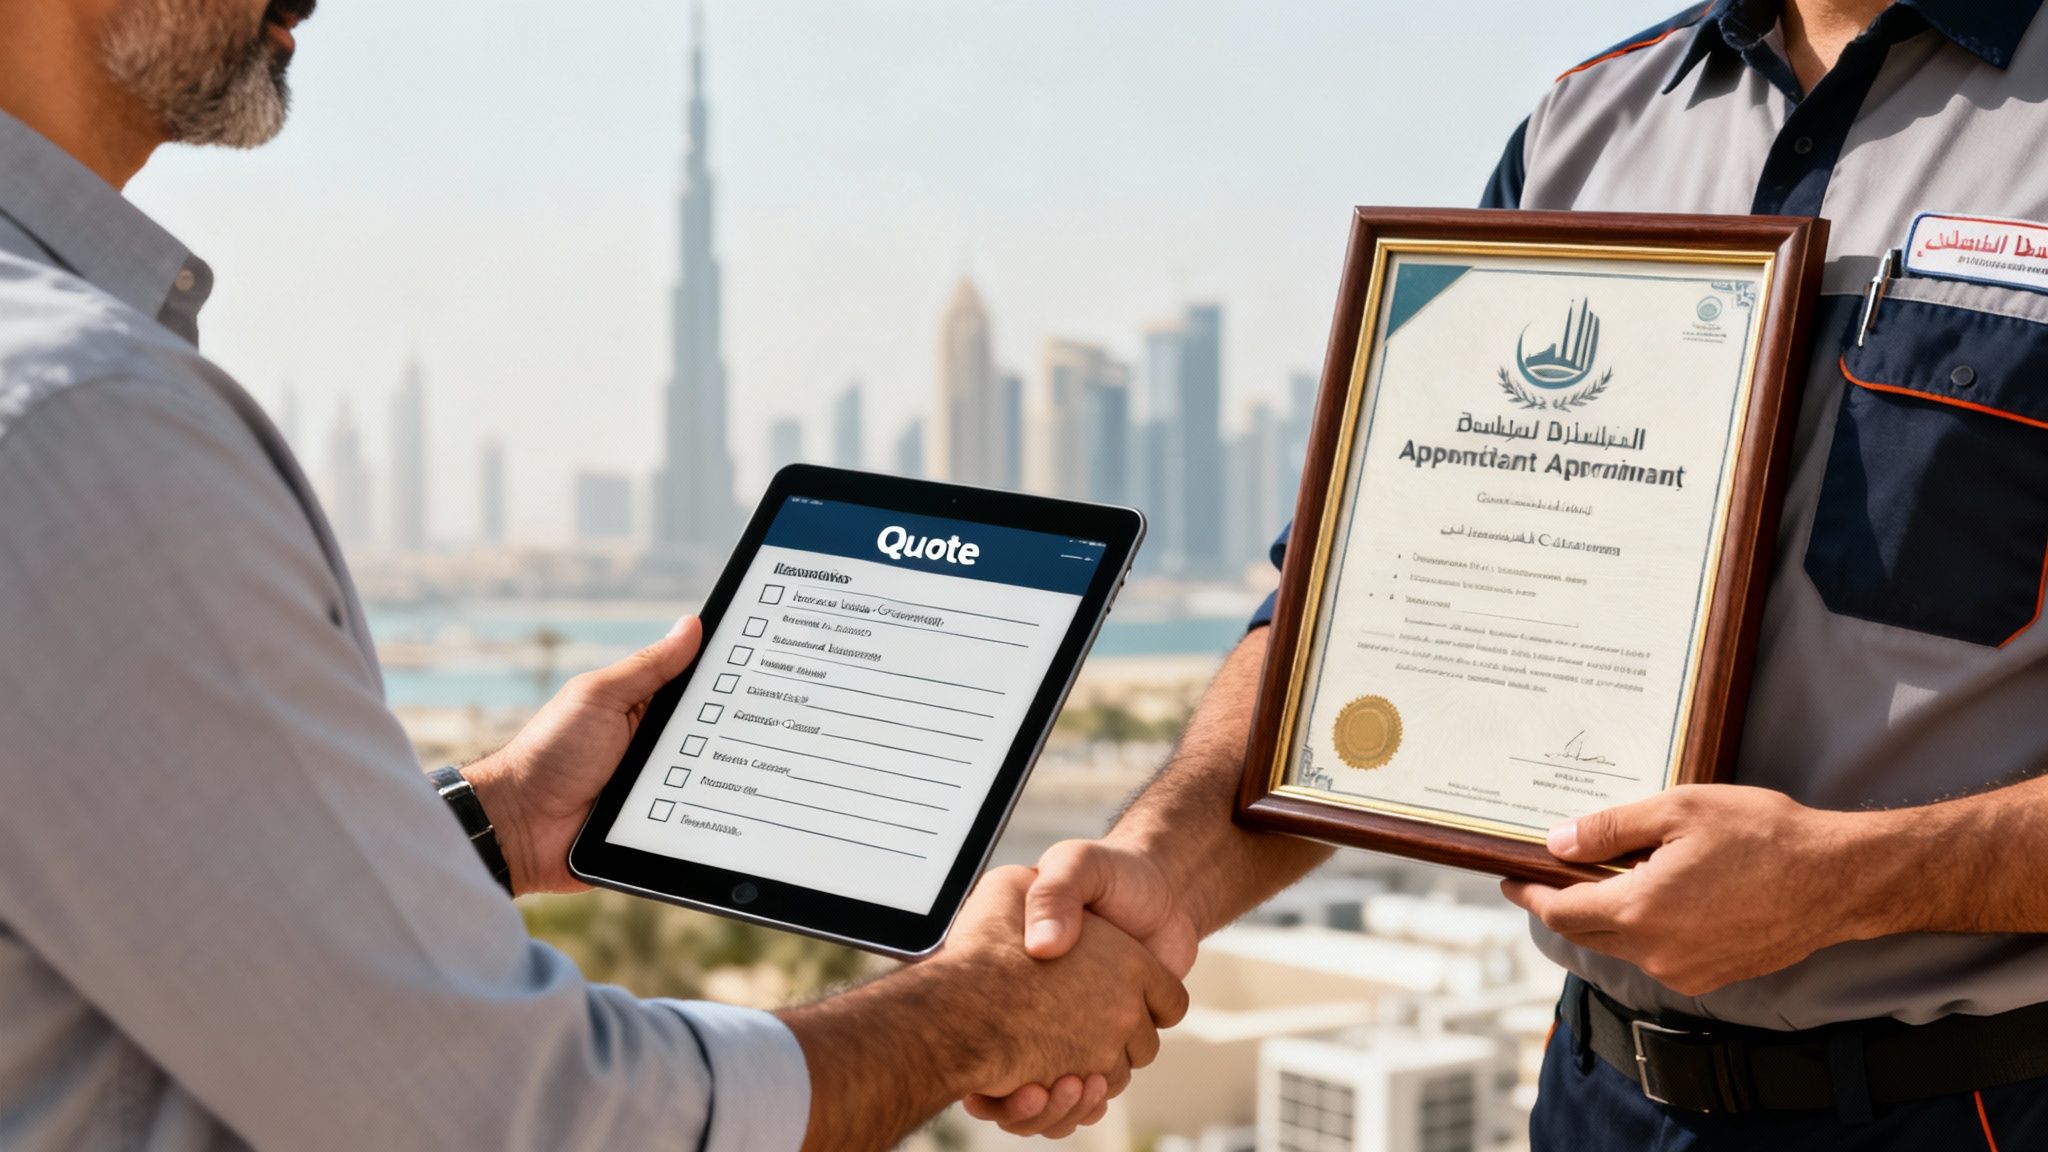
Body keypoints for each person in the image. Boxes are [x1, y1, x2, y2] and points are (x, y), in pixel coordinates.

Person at [0, 1, 1186, 1149]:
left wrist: (496, 820)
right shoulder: (84, 418)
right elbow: (524, 1121)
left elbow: (166, 909)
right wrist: (975, 1013)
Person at [976, 0, 2048, 1147]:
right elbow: (1352, 609)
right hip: (1596, 1096)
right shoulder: (1584, 123)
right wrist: (1154, 872)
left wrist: (1849, 882)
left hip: (1976, 1109)